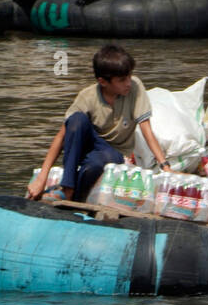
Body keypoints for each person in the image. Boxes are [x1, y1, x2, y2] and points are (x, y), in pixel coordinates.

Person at [26, 44, 171, 202]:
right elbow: (62, 136)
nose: (128, 83)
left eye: (129, 76)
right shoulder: (87, 97)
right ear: (103, 82)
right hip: (89, 147)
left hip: (114, 153)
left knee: (96, 163)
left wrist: (165, 166)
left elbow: (146, 130)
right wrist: (42, 177)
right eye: (122, 80)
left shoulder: (135, 87)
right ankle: (67, 189)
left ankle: (74, 196)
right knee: (76, 120)